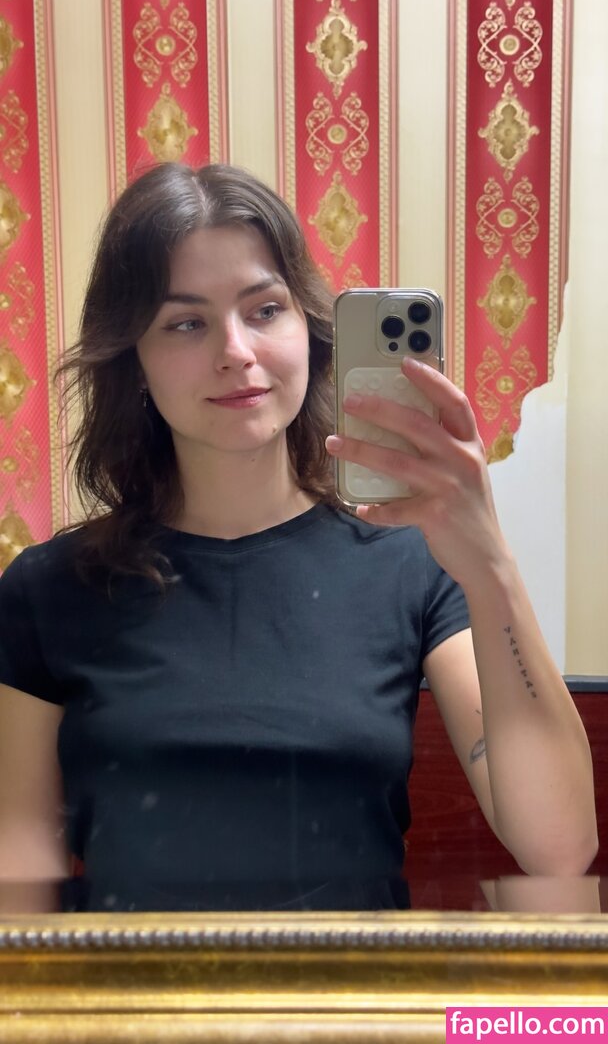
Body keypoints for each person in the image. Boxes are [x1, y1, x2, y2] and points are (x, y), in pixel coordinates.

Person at [0, 163, 597, 912]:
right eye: (186, 322)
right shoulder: (47, 589)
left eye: (264, 309)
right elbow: (17, 893)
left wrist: (491, 566)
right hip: (133, 986)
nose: (236, 350)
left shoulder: (412, 564)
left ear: (309, 335)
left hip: (355, 985)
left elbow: (559, 846)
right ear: (135, 362)